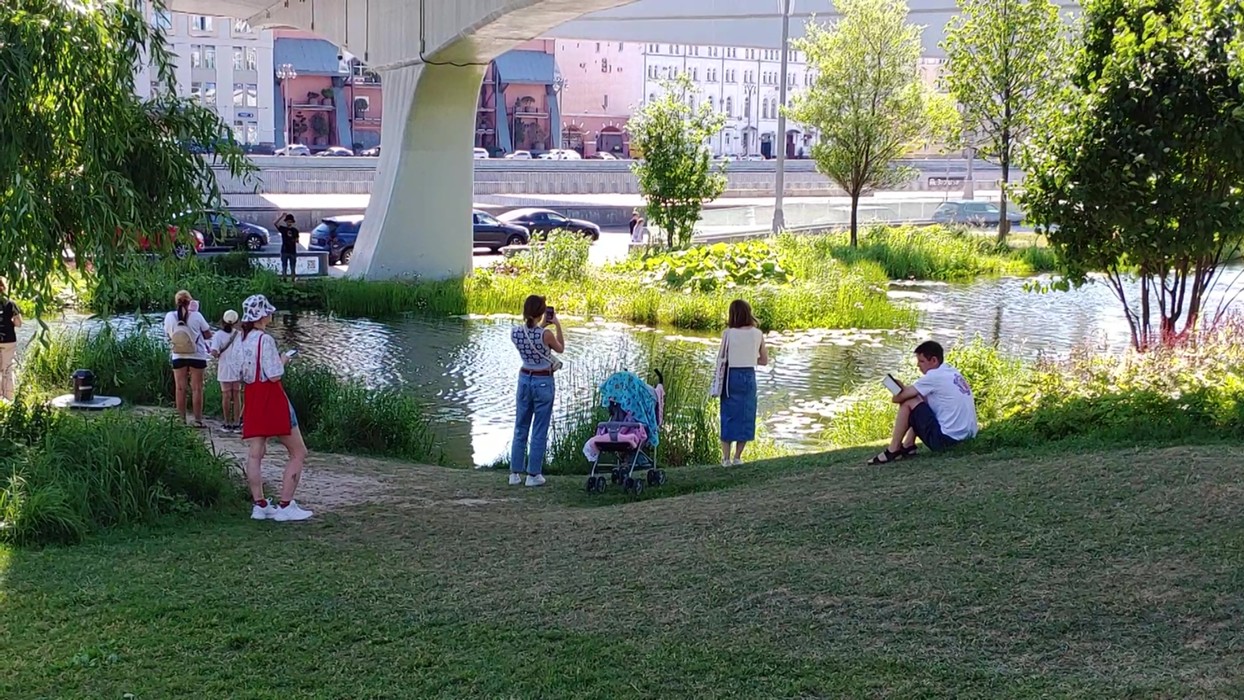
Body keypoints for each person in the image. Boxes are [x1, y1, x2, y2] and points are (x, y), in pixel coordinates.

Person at [237, 294, 312, 521]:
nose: (271, 314)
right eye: (268, 311)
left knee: (255, 453)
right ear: (262, 315)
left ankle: (259, 505)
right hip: (271, 397)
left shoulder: (243, 338)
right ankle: (285, 505)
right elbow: (274, 374)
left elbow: (242, 373)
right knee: (298, 452)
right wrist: (284, 359)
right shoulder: (265, 339)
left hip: (252, 396)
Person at [869, 340, 978, 465]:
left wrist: (899, 390)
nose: (918, 365)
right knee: (919, 401)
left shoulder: (933, 376)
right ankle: (909, 445)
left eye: (921, 361)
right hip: (966, 437)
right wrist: (905, 390)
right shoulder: (951, 371)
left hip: (947, 441)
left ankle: (893, 449)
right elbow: (921, 398)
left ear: (934, 361)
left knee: (909, 402)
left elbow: (899, 399)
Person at [509, 294, 564, 487]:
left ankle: (514, 473)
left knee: (520, 427)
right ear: (542, 313)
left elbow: (530, 344)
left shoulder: (515, 333)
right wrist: (556, 324)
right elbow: (560, 348)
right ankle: (533, 474)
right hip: (542, 381)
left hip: (524, 378)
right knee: (539, 429)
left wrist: (541, 326)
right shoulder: (545, 334)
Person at [717, 299, 768, 466]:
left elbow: (721, 358)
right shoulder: (758, 333)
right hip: (748, 375)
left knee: (728, 414)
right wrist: (750, 356)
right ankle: (738, 457)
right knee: (746, 414)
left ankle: (725, 458)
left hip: (730, 376)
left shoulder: (728, 333)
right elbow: (764, 360)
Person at [164, 290, 213, 427]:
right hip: (197, 355)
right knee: (197, 389)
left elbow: (169, 336)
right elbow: (208, 334)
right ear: (190, 301)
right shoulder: (197, 315)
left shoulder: (169, 316)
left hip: (178, 355)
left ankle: (181, 420)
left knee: (180, 388)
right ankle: (197, 420)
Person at [209, 309, 244, 432]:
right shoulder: (240, 334)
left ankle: (226, 422)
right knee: (237, 395)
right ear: (236, 322)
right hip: (238, 367)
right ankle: (236, 422)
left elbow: (214, 352)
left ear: (223, 321)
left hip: (224, 368)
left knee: (226, 395)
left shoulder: (218, 335)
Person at [0, 279, 22, 401]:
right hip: (8, 340)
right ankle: (8, 398)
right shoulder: (10, 303)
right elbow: (18, 323)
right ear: (3, 287)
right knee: (7, 369)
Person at [274, 213, 299, 282]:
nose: (289, 223)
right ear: (286, 222)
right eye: (288, 221)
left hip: (292, 251)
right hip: (284, 250)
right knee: (284, 266)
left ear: (292, 222)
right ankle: (284, 279)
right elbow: (275, 223)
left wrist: (294, 240)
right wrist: (281, 216)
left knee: (293, 267)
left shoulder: (295, 231)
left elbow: (297, 240)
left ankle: (293, 279)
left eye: (290, 222)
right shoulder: (283, 229)